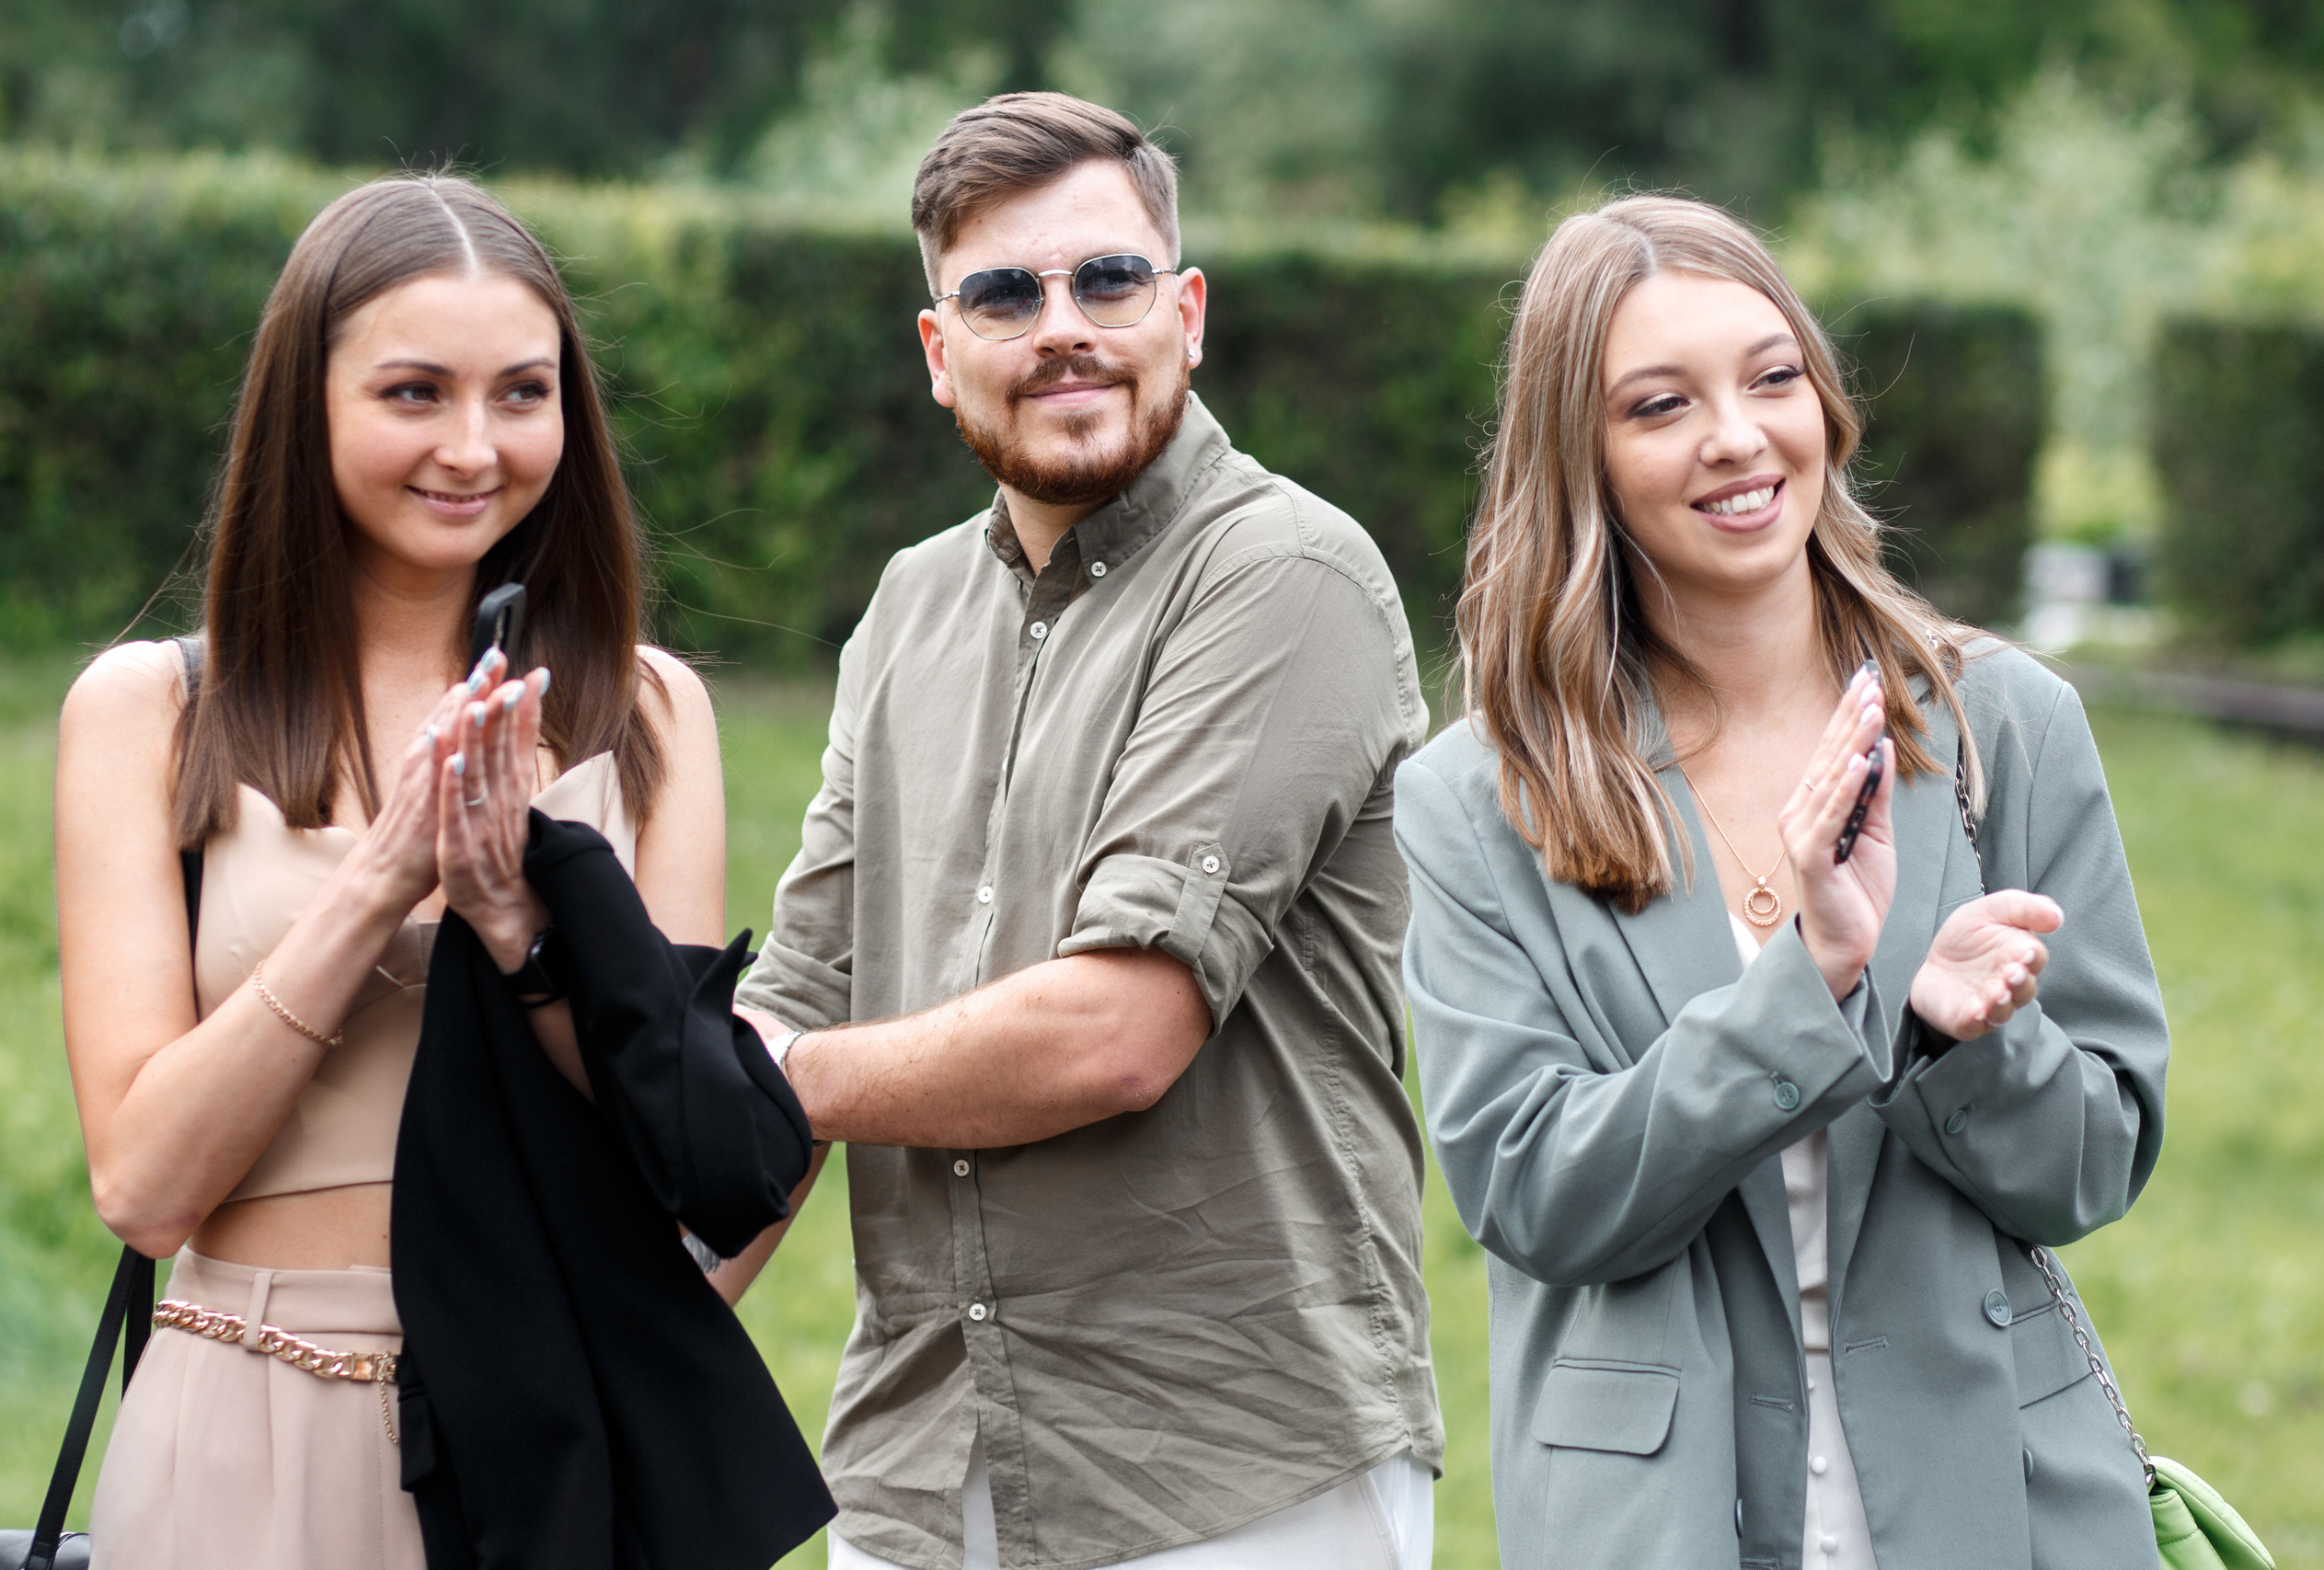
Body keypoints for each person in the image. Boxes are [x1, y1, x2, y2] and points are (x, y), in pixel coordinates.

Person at [1395, 195, 2169, 1570]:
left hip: (2002, 1505)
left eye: (1772, 377)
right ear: (1580, 457)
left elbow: (2094, 1165)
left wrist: (1958, 1043)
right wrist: (1806, 989)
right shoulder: (1479, 798)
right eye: (1659, 405)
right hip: (1660, 1521)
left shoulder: (2008, 724)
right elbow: (1533, 1195)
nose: (1739, 437)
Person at [731, 92, 1444, 1570]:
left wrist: (778, 1079)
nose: (1063, 324)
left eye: (1107, 279)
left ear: (1185, 313)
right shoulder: (911, 606)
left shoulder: (1289, 573)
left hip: (1232, 1471)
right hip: (923, 1468)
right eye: (1003, 291)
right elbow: (795, 989)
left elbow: (1115, 1033)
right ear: (941, 355)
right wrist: (620, 1337)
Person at [55, 174, 747, 1569]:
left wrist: (514, 925)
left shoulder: (646, 715)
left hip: (549, 1443)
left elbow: (686, 1157)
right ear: (304, 405)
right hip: (235, 1426)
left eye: (522, 393)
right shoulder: (152, 714)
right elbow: (145, 1186)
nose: (475, 446)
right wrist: (382, 875)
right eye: (415, 393)